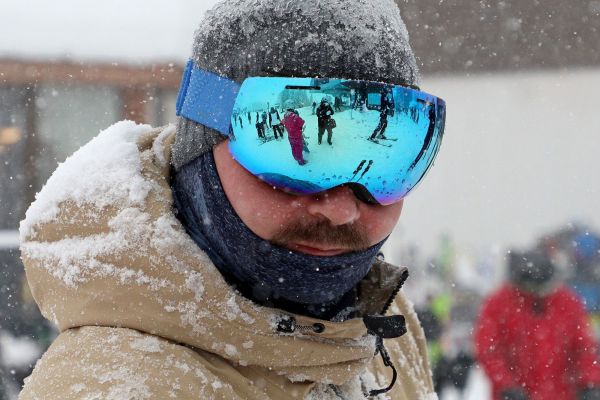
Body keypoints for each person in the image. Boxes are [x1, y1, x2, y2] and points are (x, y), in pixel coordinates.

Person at [18, 1, 438, 399]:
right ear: (201, 150)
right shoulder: (117, 386)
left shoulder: (378, 324)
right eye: (292, 156)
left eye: (385, 161)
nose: (341, 208)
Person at [475, 250, 600, 400]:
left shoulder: (568, 303)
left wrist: (590, 382)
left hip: (562, 394)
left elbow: (584, 348)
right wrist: (506, 385)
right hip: (517, 395)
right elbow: (489, 351)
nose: (539, 294)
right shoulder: (498, 305)